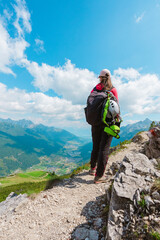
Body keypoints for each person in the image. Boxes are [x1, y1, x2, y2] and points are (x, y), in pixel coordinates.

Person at [89, 69, 119, 183]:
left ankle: (92, 169)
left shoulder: (95, 89)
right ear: (109, 77)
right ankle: (99, 176)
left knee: (95, 146)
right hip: (108, 123)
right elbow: (116, 108)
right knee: (104, 148)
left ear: (100, 78)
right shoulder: (113, 90)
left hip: (95, 122)